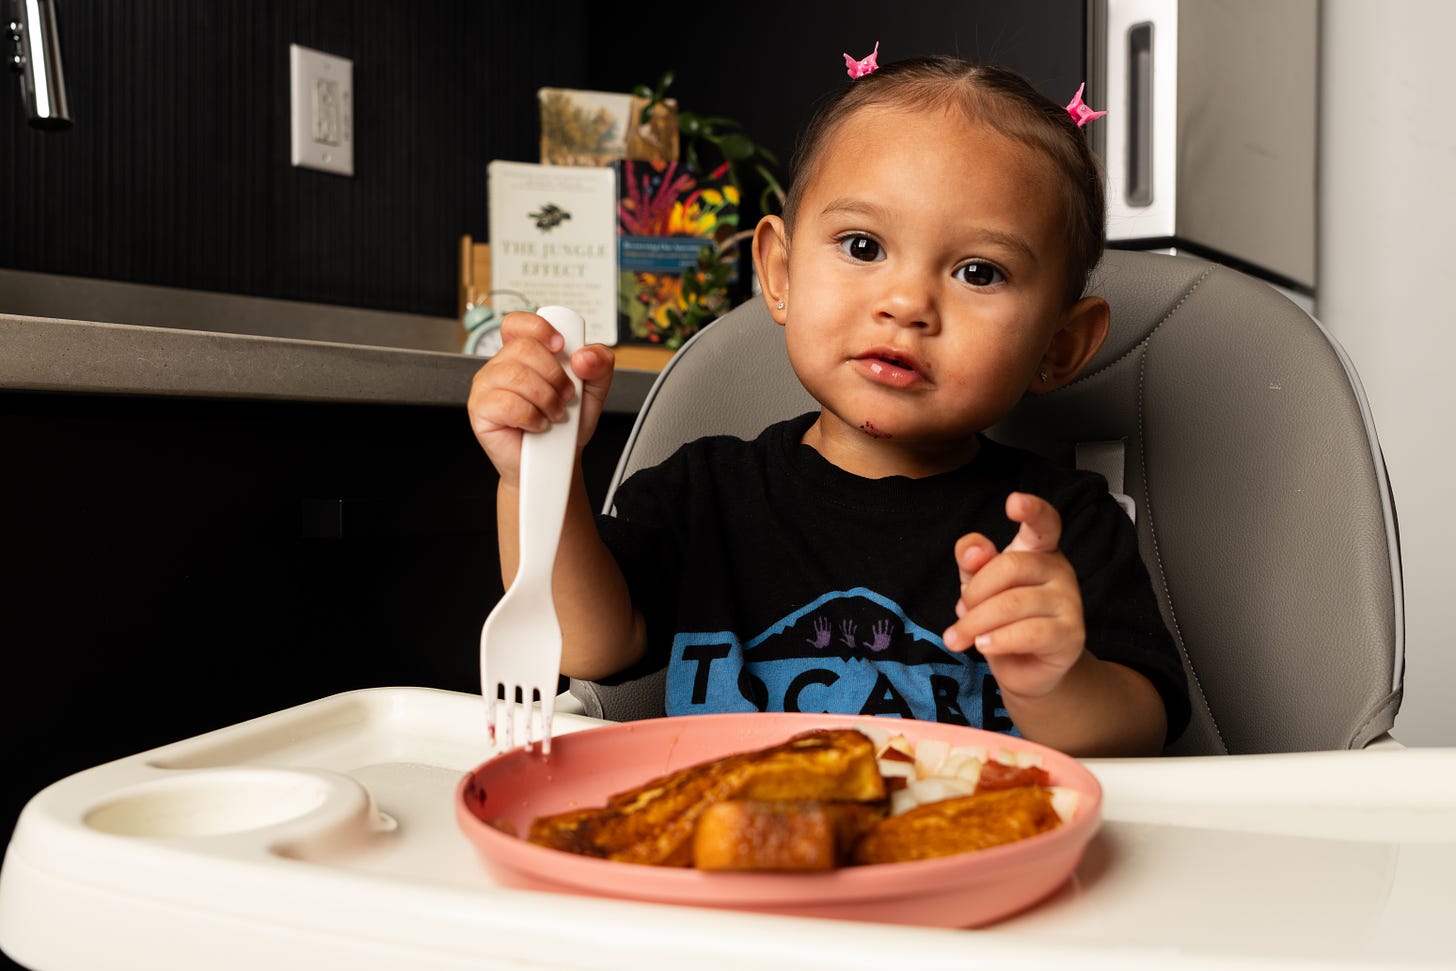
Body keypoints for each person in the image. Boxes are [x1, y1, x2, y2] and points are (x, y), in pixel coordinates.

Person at [468, 56, 1190, 757]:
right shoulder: (710, 492)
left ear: (1059, 346)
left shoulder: (1058, 526)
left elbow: (1140, 727)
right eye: (863, 245)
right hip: (731, 857)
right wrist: (535, 472)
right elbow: (584, 639)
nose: (906, 303)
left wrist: (1058, 681)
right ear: (780, 273)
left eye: (979, 271)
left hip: (966, 856)